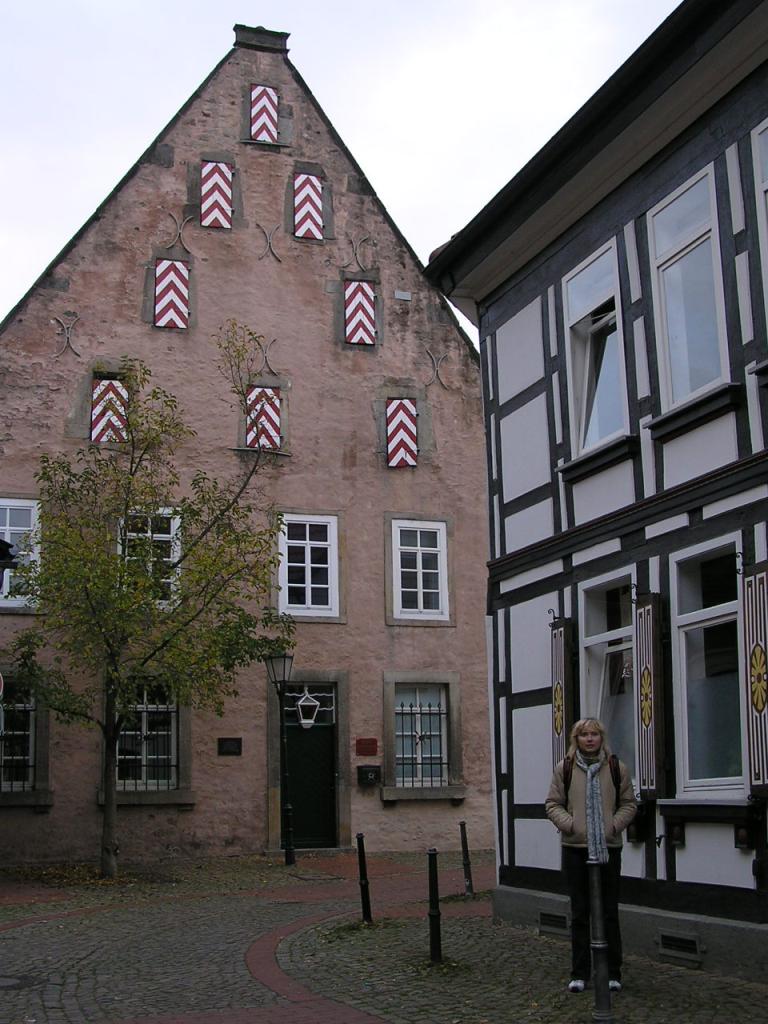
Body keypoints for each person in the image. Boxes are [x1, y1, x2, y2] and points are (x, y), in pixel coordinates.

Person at [545, 718, 637, 994]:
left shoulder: (616, 768)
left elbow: (629, 804)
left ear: (601, 737)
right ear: (576, 739)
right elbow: (553, 804)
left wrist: (613, 826)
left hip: (608, 848)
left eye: (594, 734)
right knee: (580, 913)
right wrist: (571, 825)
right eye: (584, 734)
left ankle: (612, 972)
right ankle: (580, 973)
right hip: (575, 849)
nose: (589, 739)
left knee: (609, 912)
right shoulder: (565, 768)